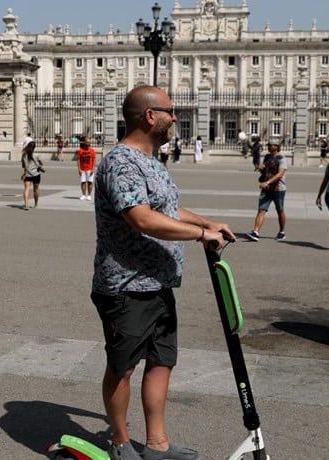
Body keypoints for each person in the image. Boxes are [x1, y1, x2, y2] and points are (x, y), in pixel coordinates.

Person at [92, 85, 234, 460]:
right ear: (150, 116)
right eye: (171, 111)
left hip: (157, 284)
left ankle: (156, 444)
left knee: (161, 362)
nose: (176, 117)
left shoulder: (153, 162)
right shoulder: (121, 162)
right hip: (125, 287)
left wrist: (208, 222)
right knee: (122, 368)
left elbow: (168, 208)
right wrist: (201, 235)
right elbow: (141, 218)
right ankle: (121, 443)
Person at [247, 143, 287, 242]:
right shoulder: (267, 157)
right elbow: (265, 170)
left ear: (277, 147)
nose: (269, 147)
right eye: (268, 145)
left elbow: (280, 174)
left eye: (271, 145)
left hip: (278, 189)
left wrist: (267, 182)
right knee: (261, 210)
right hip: (266, 188)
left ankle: (282, 232)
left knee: (280, 211)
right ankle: (256, 232)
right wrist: (261, 169)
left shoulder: (282, 158)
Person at [20, 139, 43, 210]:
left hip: (27, 174)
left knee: (26, 189)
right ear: (34, 148)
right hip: (36, 174)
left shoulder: (24, 155)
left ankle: (26, 204)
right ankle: (36, 204)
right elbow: (41, 164)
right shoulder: (37, 155)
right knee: (36, 190)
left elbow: (23, 165)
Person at [76, 135, 96, 201]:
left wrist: (93, 169)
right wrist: (79, 169)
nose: (89, 143)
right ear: (84, 143)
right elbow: (78, 160)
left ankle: (89, 195)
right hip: (82, 169)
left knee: (90, 182)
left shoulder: (92, 151)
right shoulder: (80, 151)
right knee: (83, 182)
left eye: (89, 142)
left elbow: (94, 160)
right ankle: (84, 195)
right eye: (87, 142)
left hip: (89, 169)